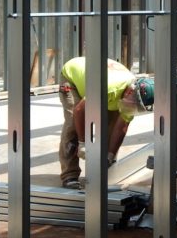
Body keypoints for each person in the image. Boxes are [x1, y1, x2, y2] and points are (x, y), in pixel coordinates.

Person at [58, 57, 154, 189]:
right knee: (73, 126)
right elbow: (80, 111)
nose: (133, 108)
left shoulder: (131, 97)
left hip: (97, 82)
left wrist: (110, 155)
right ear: (130, 92)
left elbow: (120, 128)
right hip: (72, 77)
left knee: (111, 125)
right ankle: (69, 175)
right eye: (135, 104)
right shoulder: (109, 88)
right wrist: (82, 143)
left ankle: (102, 170)